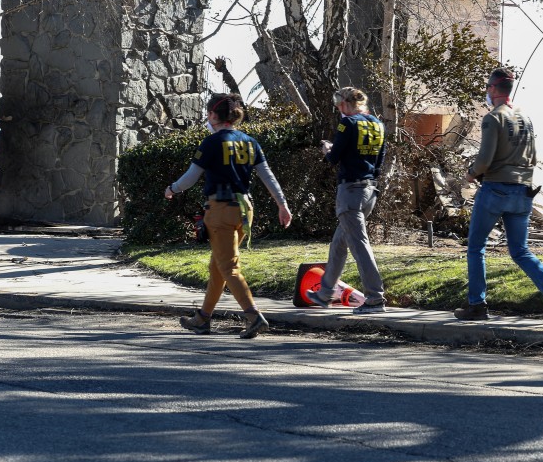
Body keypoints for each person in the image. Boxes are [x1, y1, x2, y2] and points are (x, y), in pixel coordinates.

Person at [164, 92, 293, 338]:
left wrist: (172, 189)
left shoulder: (212, 142)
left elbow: (190, 178)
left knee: (229, 267)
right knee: (219, 266)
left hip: (220, 209)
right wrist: (282, 204)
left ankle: (253, 316)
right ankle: (202, 318)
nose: (207, 117)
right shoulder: (250, 141)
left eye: (208, 113)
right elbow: (268, 177)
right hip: (245, 210)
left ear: (214, 114)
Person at [456, 67, 543, 322]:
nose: (487, 92)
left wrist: (472, 173)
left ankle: (477, 305)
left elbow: (484, 160)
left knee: (476, 248)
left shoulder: (493, 118)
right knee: (519, 250)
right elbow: (535, 157)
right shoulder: (525, 118)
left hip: (496, 189)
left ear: (493, 89)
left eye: (487, 88)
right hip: (523, 192)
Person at [305, 87, 388, 314]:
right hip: (369, 190)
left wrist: (327, 149)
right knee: (339, 244)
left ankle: (374, 298)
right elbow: (380, 160)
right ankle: (324, 293)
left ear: (343, 104)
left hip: (350, 191)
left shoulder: (347, 124)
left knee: (359, 246)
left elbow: (334, 158)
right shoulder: (378, 124)